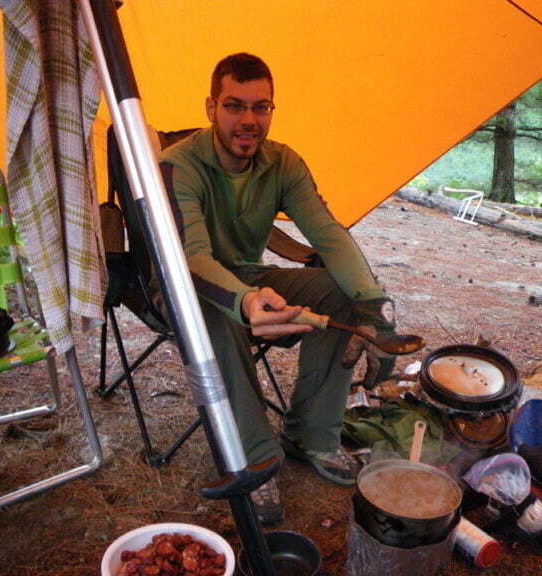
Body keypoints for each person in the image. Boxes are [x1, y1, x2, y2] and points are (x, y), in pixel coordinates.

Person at [153, 52, 398, 524]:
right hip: (183, 285)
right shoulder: (176, 166)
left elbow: (327, 233)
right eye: (234, 106)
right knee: (214, 320)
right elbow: (193, 258)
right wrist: (244, 301)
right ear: (210, 108)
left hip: (251, 274)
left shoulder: (282, 162)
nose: (249, 121)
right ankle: (254, 457)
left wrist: (373, 306)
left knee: (339, 291)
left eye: (260, 107)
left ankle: (311, 434)